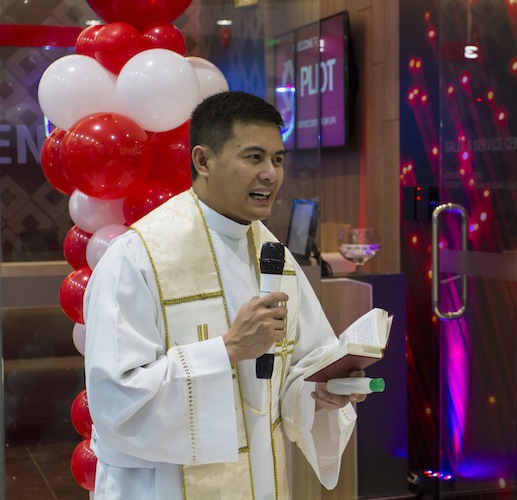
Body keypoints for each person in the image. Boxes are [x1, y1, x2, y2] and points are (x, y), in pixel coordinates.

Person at [83, 91, 366, 499]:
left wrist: (321, 390)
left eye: (278, 159)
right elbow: (116, 401)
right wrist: (226, 351)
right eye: (254, 157)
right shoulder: (139, 257)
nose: (270, 174)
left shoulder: (275, 258)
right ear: (203, 161)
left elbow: (288, 379)